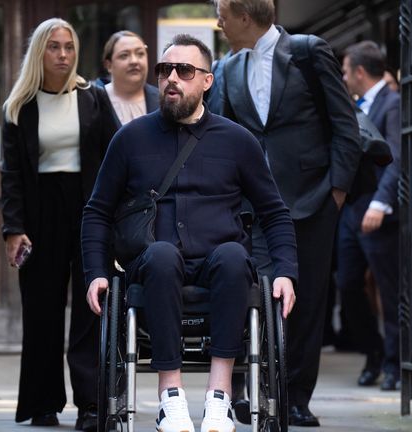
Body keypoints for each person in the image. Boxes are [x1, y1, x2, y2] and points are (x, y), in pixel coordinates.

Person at [81, 34, 298, 432]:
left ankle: (220, 398)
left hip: (220, 265)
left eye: (184, 70)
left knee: (235, 256)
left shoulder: (238, 141)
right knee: (163, 255)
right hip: (154, 266)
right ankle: (171, 398)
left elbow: (274, 212)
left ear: (207, 81)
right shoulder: (130, 139)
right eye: (165, 71)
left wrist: (284, 271)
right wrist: (96, 272)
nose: (172, 79)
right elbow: (97, 211)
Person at [214, 0, 362, 426]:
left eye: (223, 14)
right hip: (249, 207)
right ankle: (245, 390)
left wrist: (335, 193)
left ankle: (296, 398)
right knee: (245, 295)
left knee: (308, 300)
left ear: (245, 17)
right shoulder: (225, 69)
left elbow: (344, 125)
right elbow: (223, 136)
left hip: (312, 201)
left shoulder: (308, 52)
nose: (218, 23)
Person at [0, 17, 116, 429]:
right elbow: (11, 174)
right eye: (54, 47)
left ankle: (90, 405)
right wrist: (13, 228)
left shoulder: (94, 98)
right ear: (39, 53)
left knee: (90, 308)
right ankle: (42, 403)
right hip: (39, 213)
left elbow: (115, 155)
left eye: (69, 46)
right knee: (42, 310)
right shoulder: (19, 106)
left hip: (88, 210)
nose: (63, 55)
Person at [339, 40, 402, 391]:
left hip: (379, 212)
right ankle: (373, 351)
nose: (344, 77)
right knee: (347, 285)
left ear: (360, 72)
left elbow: (395, 156)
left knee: (389, 291)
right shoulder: (352, 105)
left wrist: (380, 203)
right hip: (350, 211)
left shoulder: (392, 104)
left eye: (346, 71)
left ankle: (393, 365)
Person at [98, 30, 160, 126]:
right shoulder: (95, 102)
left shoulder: (162, 100)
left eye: (140, 54)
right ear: (108, 65)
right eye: (124, 55)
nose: (134, 61)